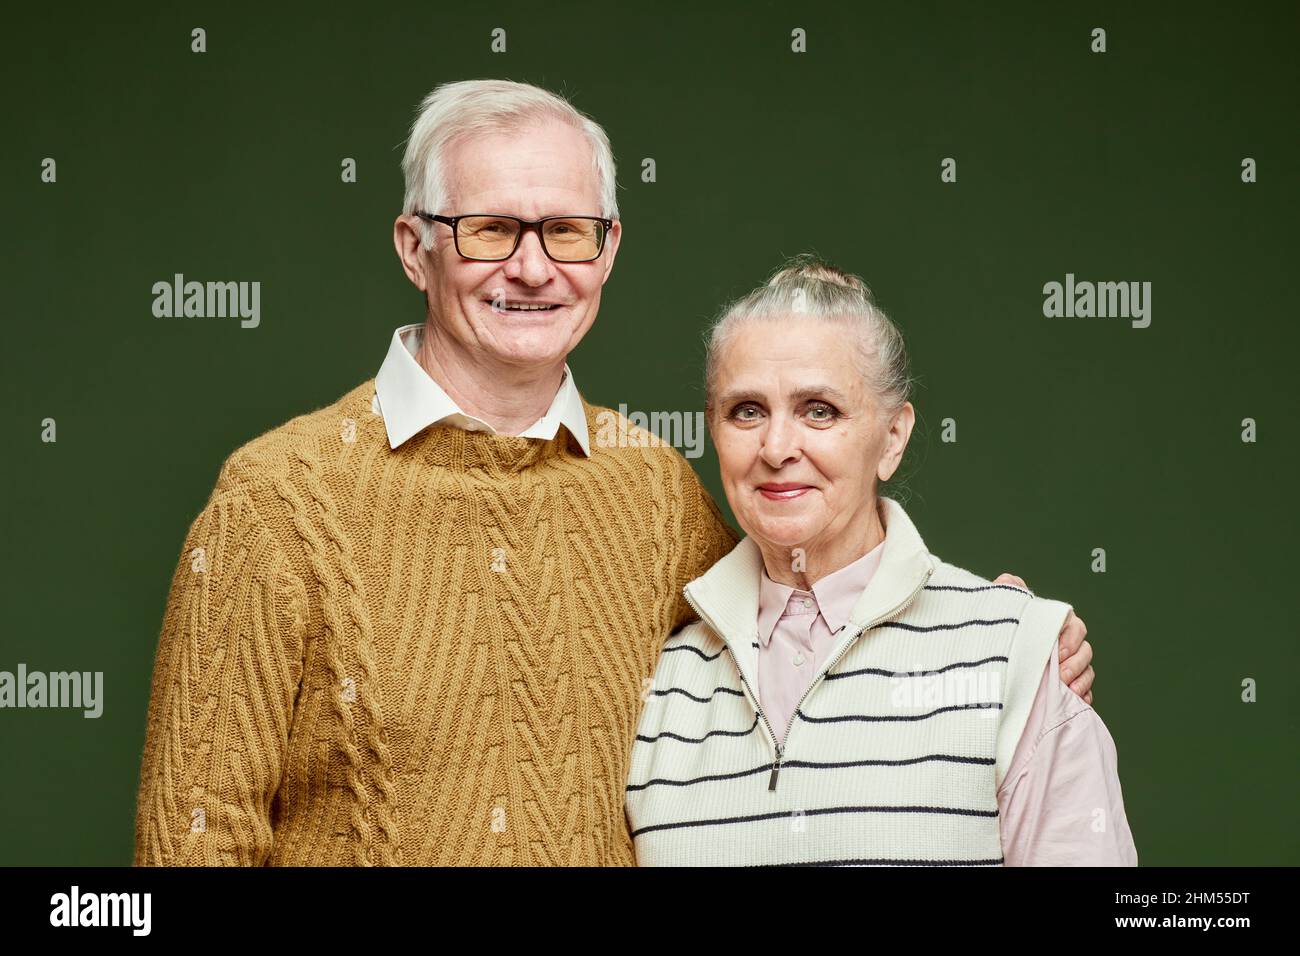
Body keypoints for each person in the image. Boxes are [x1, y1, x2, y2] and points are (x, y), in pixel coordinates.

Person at [133, 80, 1094, 866]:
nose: (532, 266)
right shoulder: (279, 499)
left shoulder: (654, 491)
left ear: (609, 250)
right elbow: (190, 847)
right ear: (414, 246)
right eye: (487, 228)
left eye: (567, 230)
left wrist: (991, 636)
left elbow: (809, 600)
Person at [626, 257, 1134, 866]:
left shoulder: (1016, 657)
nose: (777, 448)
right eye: (746, 411)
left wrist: (1017, 643)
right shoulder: (652, 684)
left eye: (820, 410)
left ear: (893, 437)